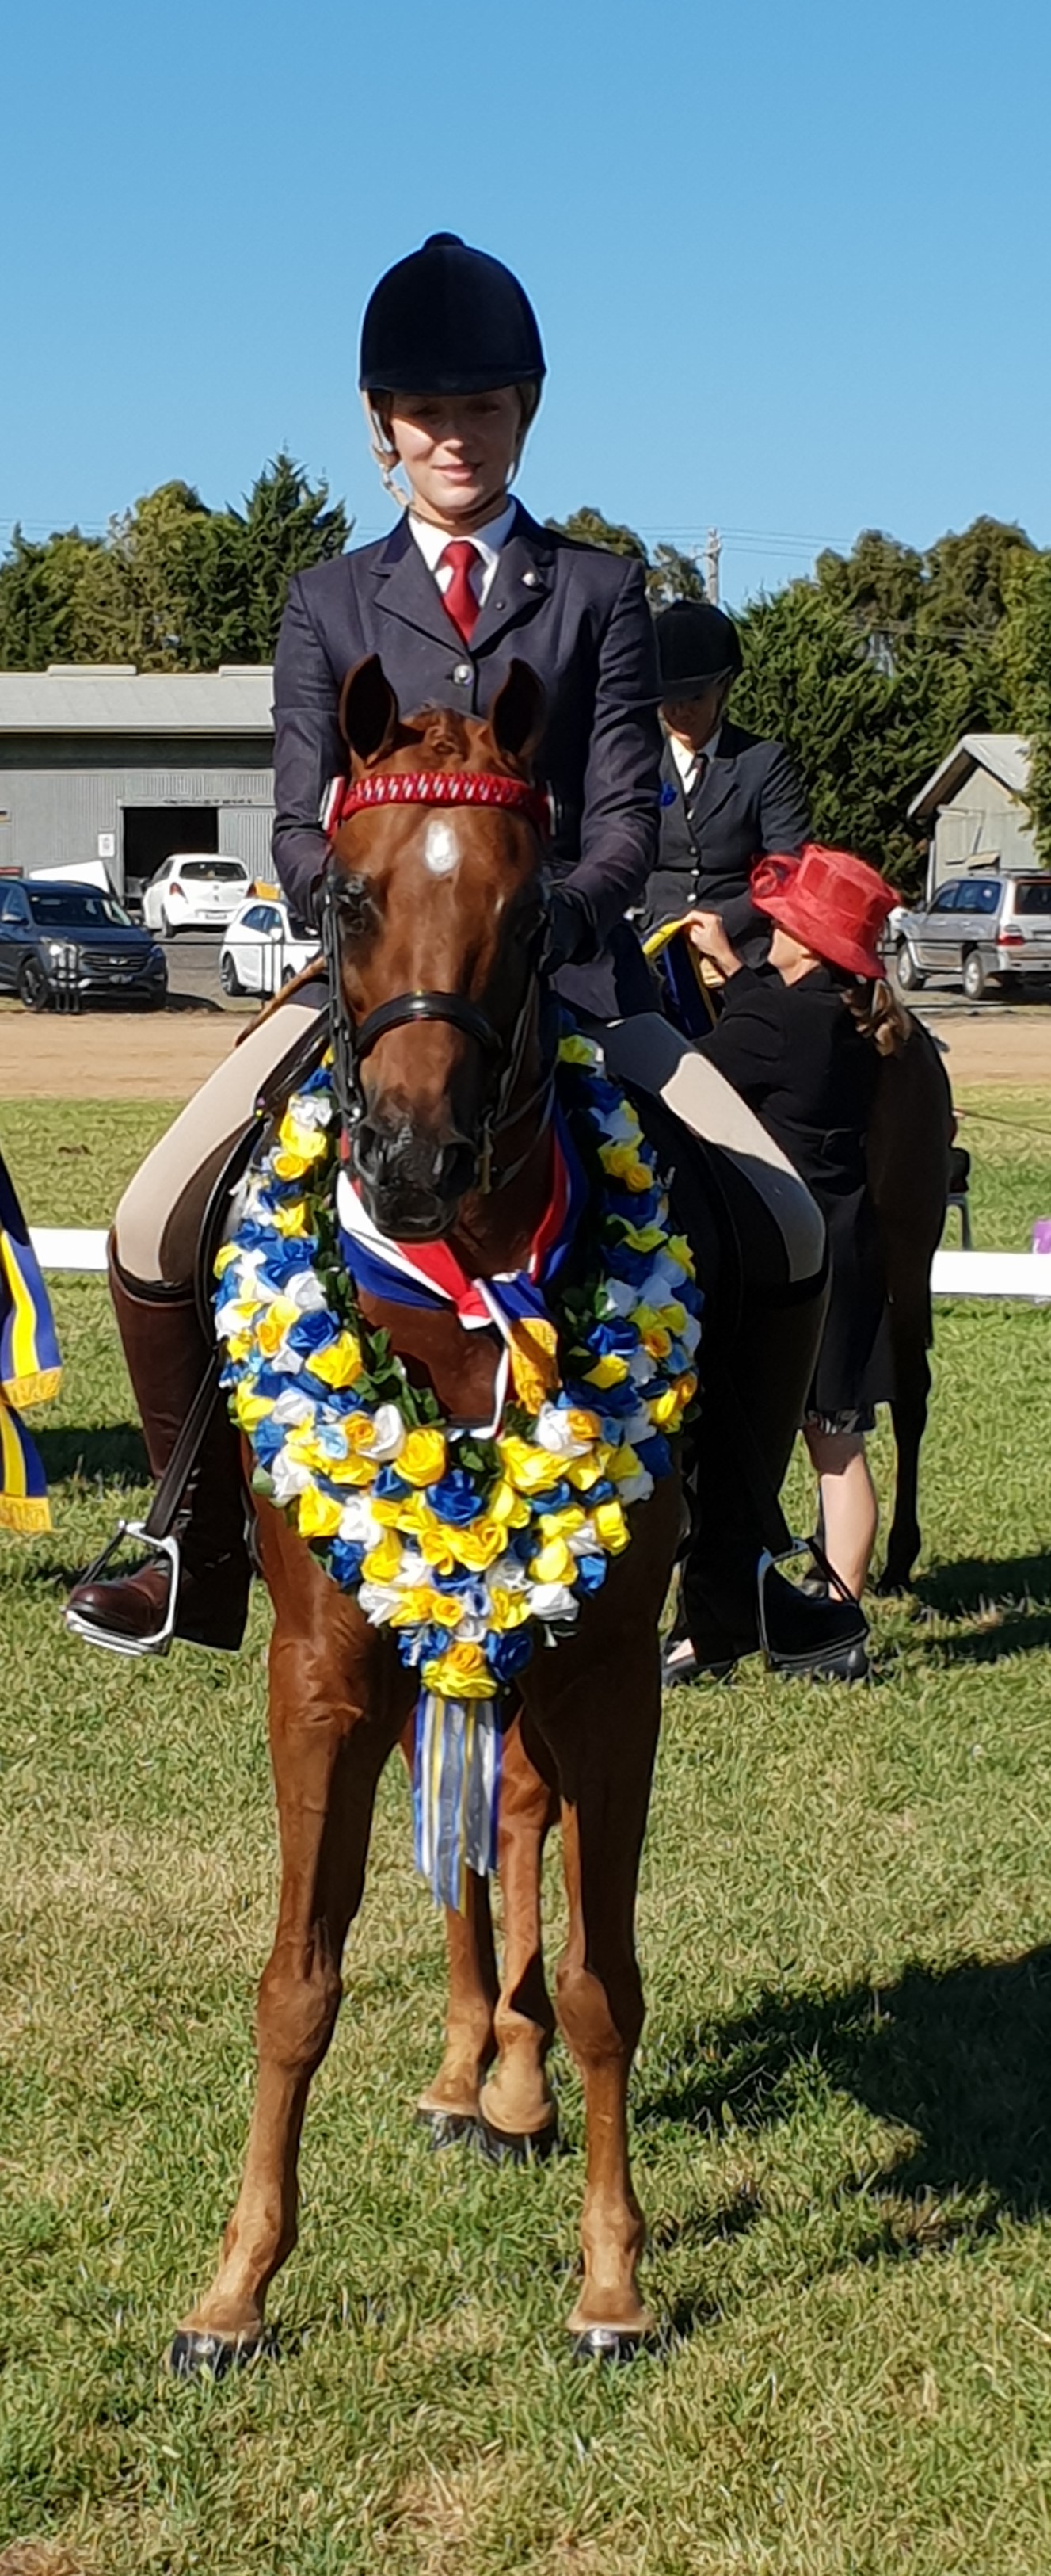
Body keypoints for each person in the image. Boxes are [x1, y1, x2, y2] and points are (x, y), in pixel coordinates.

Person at [65, 231, 664, 1655]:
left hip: (561, 984)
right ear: (381, 429)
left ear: (525, 415)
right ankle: (189, 1550)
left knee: (776, 1211)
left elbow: (625, 818)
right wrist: (365, 930)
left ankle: (750, 1557)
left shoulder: (599, 591)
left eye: (484, 408)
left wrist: (542, 925)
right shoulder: (328, 602)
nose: (455, 436)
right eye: (427, 413)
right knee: (154, 1222)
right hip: (375, 998)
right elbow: (291, 824)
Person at [683, 843, 904, 1625]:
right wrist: (738, 977)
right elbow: (774, 1020)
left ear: (805, 942)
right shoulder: (841, 1013)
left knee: (813, 1443)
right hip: (853, 1242)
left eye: (779, 921)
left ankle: (830, 1617)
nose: (766, 928)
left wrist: (727, 984)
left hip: (797, 1259)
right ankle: (837, 1604)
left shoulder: (776, 1016)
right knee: (836, 1441)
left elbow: (697, 1074)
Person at [642, 601, 809, 963]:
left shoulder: (764, 763)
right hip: (650, 950)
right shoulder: (638, 762)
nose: (681, 712)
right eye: (669, 700)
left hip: (743, 950)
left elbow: (786, 865)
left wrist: (722, 929)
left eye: (695, 698)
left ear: (725, 687)